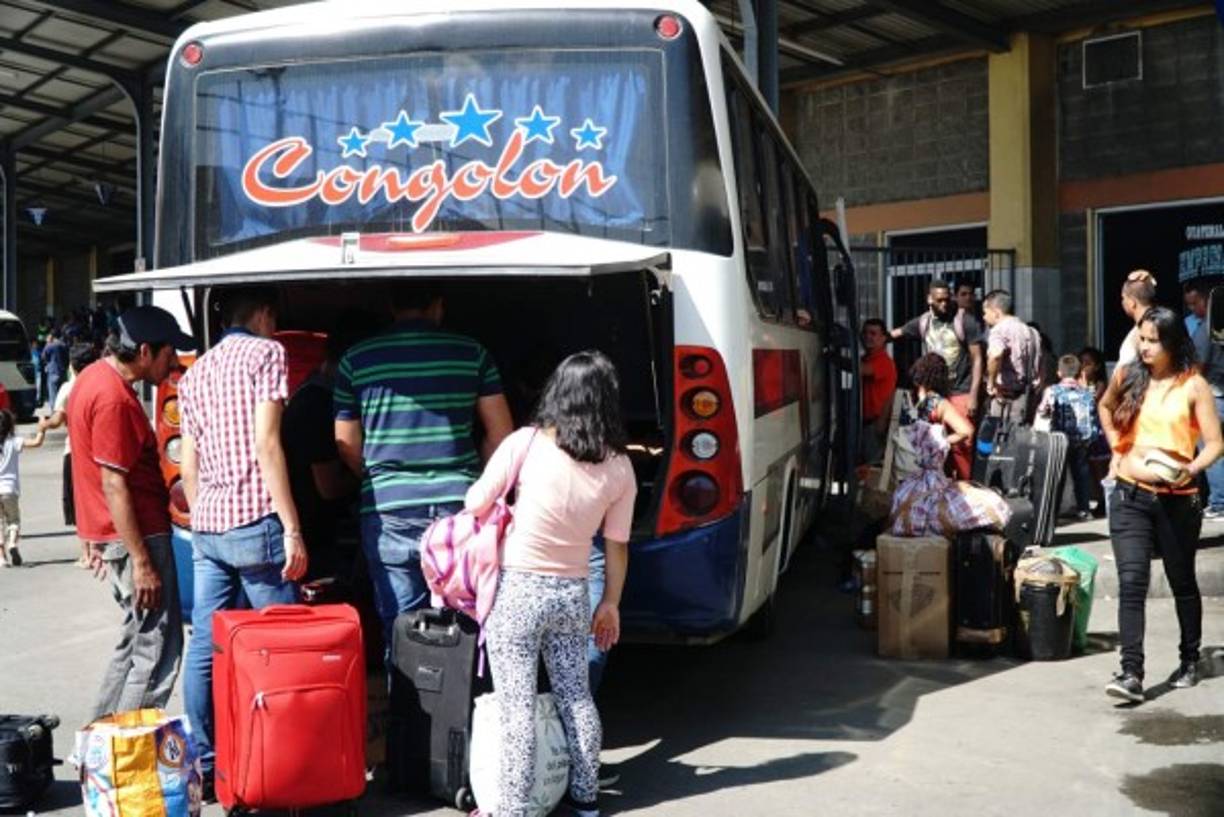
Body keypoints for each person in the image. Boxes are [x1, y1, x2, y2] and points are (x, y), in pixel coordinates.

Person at [467, 350, 635, 817]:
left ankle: (512, 808)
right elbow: (617, 545)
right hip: (573, 593)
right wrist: (611, 604)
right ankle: (585, 799)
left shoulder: (525, 444)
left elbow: (476, 501)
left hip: (518, 591)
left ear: (558, 393)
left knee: (517, 705)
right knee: (576, 695)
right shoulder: (620, 467)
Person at [177, 286, 307, 790]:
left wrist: (207, 513)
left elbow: (188, 466)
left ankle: (207, 765)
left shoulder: (197, 371)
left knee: (207, 648)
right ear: (264, 315)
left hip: (208, 528)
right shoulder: (267, 353)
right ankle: (292, 757)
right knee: (285, 643)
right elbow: (268, 444)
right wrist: (292, 526)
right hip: (257, 524)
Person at [334, 285, 513, 647]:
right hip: (459, 508)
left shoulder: (355, 358)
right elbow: (500, 434)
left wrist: (375, 478)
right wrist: (478, 484)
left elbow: (347, 441)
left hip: (388, 509)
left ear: (390, 306)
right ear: (438, 307)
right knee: (466, 621)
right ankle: (465, 702)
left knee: (400, 626)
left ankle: (408, 702)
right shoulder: (472, 353)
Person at [68, 305, 190, 720]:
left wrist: (91, 535)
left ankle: (99, 742)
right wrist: (141, 563)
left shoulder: (91, 379)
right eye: (168, 353)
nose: (174, 363)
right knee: (157, 647)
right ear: (143, 351)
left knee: (134, 639)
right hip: (138, 535)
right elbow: (113, 482)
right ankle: (125, 750)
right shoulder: (113, 399)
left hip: (118, 532)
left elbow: (86, 468)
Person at [1098, 306, 1223, 703]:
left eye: (1154, 340)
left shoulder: (1193, 385)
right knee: (1132, 582)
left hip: (1177, 500)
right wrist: (1117, 448)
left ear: (1172, 343)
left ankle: (1190, 658)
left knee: (1181, 579)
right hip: (1128, 495)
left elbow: (1215, 443)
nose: (1146, 346)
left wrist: (1193, 467)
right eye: (1142, 337)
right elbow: (1104, 406)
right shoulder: (1127, 375)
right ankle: (1131, 672)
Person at [282, 316, 366, 579]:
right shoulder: (317, 406)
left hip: (316, 531)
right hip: (316, 537)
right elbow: (329, 487)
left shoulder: (310, 394)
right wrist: (375, 477)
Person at [891, 280, 983, 478]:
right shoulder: (923, 322)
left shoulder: (964, 320)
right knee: (932, 442)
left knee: (963, 446)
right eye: (939, 300)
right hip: (936, 393)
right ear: (929, 300)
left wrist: (974, 394)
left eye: (947, 299)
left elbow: (977, 359)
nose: (944, 304)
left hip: (961, 391)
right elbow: (897, 333)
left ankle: (963, 486)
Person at [40, 342, 101, 567]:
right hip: (99, 452)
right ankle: (98, 550)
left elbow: (57, 420)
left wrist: (43, 425)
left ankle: (86, 553)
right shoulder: (100, 384)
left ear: (72, 366)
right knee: (98, 498)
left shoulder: (68, 387)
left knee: (78, 502)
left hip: (74, 452)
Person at [1036, 355, 1100, 521]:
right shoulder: (1087, 392)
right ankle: (1084, 510)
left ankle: (1054, 510)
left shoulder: (1052, 391)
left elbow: (1042, 410)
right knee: (1081, 474)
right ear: (1079, 372)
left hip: (1060, 439)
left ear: (1059, 373)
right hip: (1082, 440)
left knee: (1057, 474)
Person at [1185, 280, 1224, 522]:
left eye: (1195, 303)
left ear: (1208, 301)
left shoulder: (1206, 329)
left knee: (1211, 448)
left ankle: (1219, 502)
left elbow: (1197, 367)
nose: (1192, 309)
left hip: (1214, 395)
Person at [980, 290, 1040, 427]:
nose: (983, 317)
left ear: (996, 312)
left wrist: (991, 383)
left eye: (985, 312)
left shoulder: (999, 330)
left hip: (1005, 401)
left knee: (1000, 443)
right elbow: (1041, 369)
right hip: (1027, 400)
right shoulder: (1032, 332)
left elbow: (995, 355)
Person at [0, 410, 45, 567]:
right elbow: (37, 442)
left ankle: (2, 558)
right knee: (14, 520)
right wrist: (42, 428)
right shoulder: (14, 441)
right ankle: (12, 543)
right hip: (10, 488)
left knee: (0, 522)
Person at [909, 353, 974, 458]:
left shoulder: (907, 398)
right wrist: (940, 442)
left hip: (903, 459)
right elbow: (966, 431)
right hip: (926, 463)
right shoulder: (939, 403)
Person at [860, 318, 897, 464]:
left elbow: (862, 371)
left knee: (871, 468)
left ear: (883, 338)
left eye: (873, 333)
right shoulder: (866, 358)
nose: (868, 337)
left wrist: (834, 358)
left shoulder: (884, 361)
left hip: (875, 425)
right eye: (865, 333)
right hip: (865, 424)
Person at [1118, 270, 1157, 367]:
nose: (1122, 302)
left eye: (1123, 298)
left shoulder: (1143, 333)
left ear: (1132, 302)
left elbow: (1124, 372)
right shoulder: (1159, 326)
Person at [41, 331, 68, 411]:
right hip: (62, 373)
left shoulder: (50, 346)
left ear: (52, 337)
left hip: (53, 373)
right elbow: (67, 358)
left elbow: (43, 356)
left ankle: (54, 412)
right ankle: (63, 411)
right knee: (62, 394)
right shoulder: (64, 345)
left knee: (53, 394)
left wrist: (47, 343)